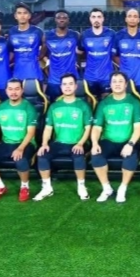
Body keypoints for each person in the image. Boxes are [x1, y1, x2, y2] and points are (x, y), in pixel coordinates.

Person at [34, 74, 93, 202]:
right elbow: (48, 128)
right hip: (59, 143)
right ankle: (47, 187)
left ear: (76, 86)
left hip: (78, 142)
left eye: (70, 84)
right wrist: (44, 144)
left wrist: (80, 143)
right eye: (64, 84)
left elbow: (88, 128)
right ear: (61, 87)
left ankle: (81, 186)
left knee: (78, 155)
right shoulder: (54, 106)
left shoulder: (83, 106)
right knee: (42, 155)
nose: (67, 87)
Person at [0, 79, 38, 202]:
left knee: (20, 159)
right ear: (6, 91)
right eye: (10, 89)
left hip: (25, 144)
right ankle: (0, 187)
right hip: (6, 143)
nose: (13, 92)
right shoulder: (1, 107)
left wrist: (20, 148)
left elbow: (31, 132)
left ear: (22, 90)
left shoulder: (28, 107)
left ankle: (24, 187)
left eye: (17, 89)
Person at [90, 72, 140, 204]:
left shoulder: (134, 102)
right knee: (96, 156)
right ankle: (106, 188)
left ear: (126, 85)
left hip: (128, 141)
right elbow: (97, 128)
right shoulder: (104, 103)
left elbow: (138, 128)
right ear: (110, 84)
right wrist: (95, 143)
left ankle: (122, 188)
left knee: (130, 158)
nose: (117, 84)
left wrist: (130, 144)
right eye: (114, 81)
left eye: (120, 81)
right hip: (108, 141)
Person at [111, 8, 140, 104]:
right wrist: (125, 65)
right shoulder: (118, 36)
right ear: (126, 19)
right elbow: (115, 56)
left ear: (138, 20)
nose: (132, 19)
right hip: (124, 78)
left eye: (135, 16)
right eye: (129, 16)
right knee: (125, 104)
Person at [44, 10, 81, 102]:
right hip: (54, 80)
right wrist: (46, 64)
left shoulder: (75, 35)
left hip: (72, 78)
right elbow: (41, 55)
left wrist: (77, 63)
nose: (61, 20)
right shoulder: (47, 36)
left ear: (68, 20)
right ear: (55, 20)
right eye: (59, 18)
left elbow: (80, 52)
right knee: (54, 105)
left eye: (64, 18)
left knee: (72, 104)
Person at [81, 8, 116, 98]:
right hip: (90, 77)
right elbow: (80, 52)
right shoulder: (84, 35)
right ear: (90, 19)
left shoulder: (111, 34)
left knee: (106, 101)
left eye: (99, 17)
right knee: (91, 101)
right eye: (93, 17)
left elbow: (115, 53)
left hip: (106, 77)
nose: (96, 19)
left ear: (103, 19)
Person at [8, 3, 46, 82]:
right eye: (19, 13)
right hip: (17, 73)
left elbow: (45, 44)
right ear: (15, 16)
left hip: (34, 73)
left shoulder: (37, 31)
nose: (22, 16)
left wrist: (41, 56)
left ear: (29, 16)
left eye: (25, 13)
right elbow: (11, 50)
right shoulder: (12, 31)